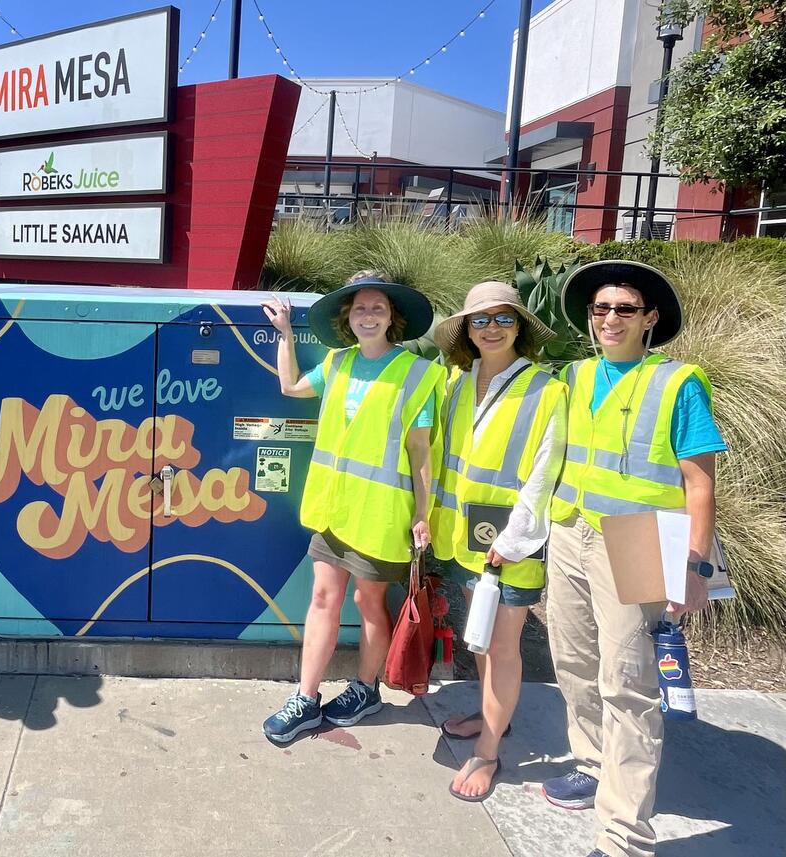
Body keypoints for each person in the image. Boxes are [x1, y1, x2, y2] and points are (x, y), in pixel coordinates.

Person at [542, 261, 725, 857]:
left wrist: (694, 567)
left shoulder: (678, 382)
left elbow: (700, 483)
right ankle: (592, 764)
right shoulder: (573, 374)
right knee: (573, 662)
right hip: (570, 530)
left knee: (628, 683)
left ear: (650, 319)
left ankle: (623, 836)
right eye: (600, 309)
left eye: (624, 309)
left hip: (642, 539)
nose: (610, 319)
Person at [259, 271, 445, 742]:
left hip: (381, 513)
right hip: (334, 509)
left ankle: (366, 687)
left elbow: (422, 454)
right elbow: (292, 388)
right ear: (348, 318)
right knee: (322, 597)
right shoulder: (337, 364)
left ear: (392, 318)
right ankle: (306, 696)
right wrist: (284, 336)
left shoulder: (417, 373)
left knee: (368, 602)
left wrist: (424, 515)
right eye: (359, 308)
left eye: (377, 308)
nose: (368, 315)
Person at [429, 281, 568, 802]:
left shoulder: (546, 389)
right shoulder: (457, 383)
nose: (492, 328)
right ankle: (494, 717)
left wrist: (516, 539)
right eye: (480, 320)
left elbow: (543, 470)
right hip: (466, 531)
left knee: (504, 646)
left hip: (510, 537)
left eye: (503, 319)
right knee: (482, 635)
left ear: (521, 326)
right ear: (466, 329)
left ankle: (488, 753)